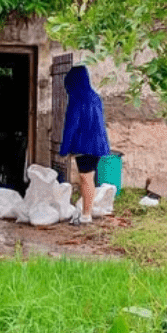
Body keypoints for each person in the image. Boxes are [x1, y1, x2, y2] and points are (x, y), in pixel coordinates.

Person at [59, 65, 110, 225]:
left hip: (84, 145)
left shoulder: (76, 99)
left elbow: (71, 125)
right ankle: (86, 210)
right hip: (97, 145)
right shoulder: (95, 97)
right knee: (89, 178)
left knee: (86, 178)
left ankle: (86, 215)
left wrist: (64, 148)